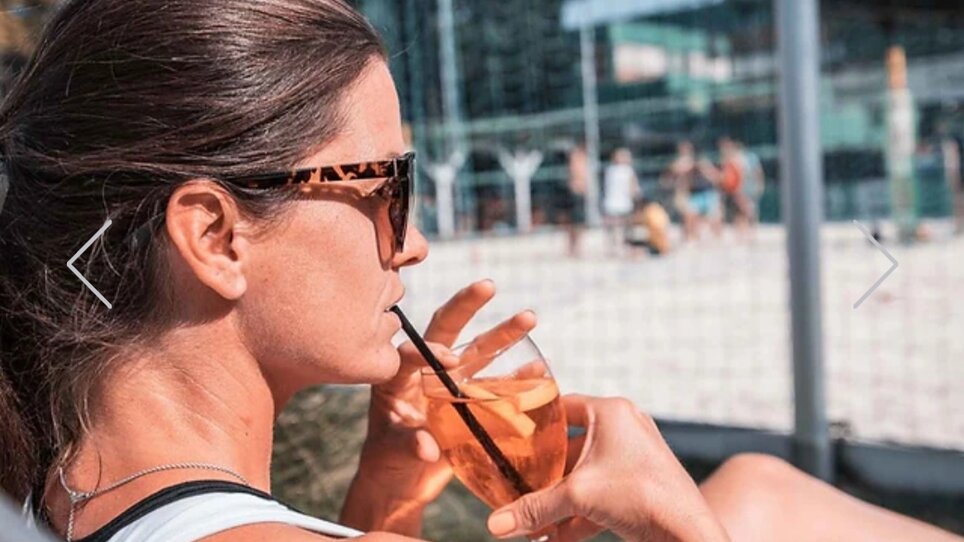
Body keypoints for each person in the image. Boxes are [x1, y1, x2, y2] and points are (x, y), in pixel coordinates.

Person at [0, 2, 960, 542]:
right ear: (214, 236)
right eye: (387, 186)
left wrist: (381, 495)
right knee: (757, 504)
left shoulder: (52, 488)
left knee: (756, 491)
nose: (413, 243)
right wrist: (682, 536)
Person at [663, 140, 722, 242]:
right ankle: (691, 236)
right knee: (689, 216)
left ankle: (714, 237)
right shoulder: (681, 163)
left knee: (713, 217)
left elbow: (716, 177)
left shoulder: (703, 163)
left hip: (706, 192)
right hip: (690, 193)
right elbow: (670, 176)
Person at [602, 147, 640, 255]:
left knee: (625, 227)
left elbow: (633, 187)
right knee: (614, 227)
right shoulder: (612, 170)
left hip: (624, 202)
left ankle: (623, 246)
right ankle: (614, 247)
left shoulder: (627, 170)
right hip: (613, 201)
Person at [564, 142, 588, 258]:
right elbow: (576, 175)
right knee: (576, 223)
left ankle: (575, 248)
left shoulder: (582, 158)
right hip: (577, 192)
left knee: (579, 223)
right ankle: (573, 248)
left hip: (580, 192)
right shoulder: (577, 157)